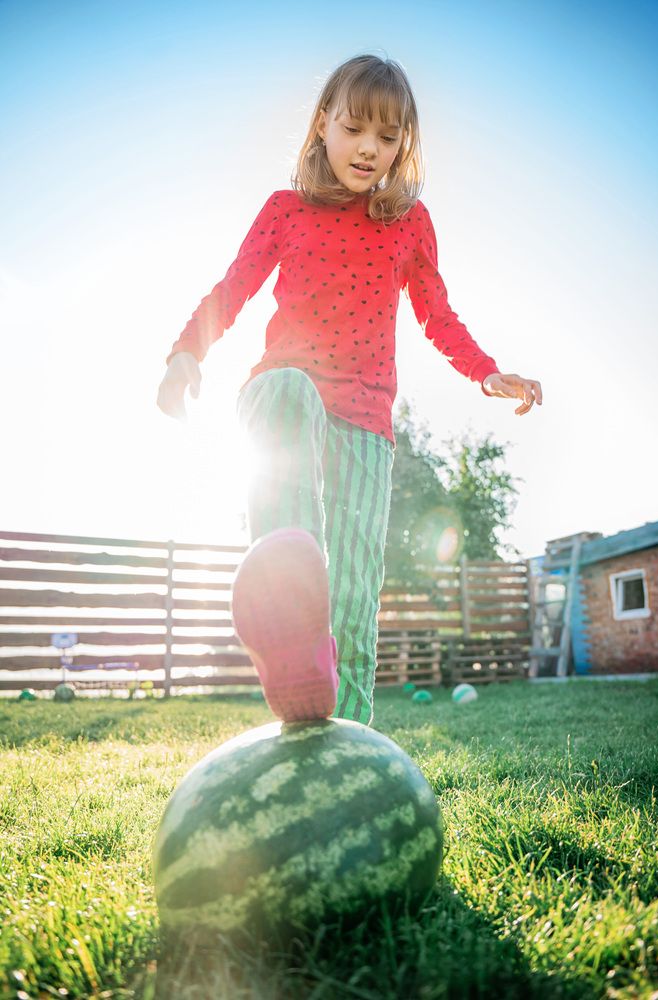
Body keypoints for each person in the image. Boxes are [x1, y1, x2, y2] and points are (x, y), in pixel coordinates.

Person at [157, 53, 542, 726]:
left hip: (367, 419)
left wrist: (485, 371)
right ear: (322, 125)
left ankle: (349, 732)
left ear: (403, 144)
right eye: (354, 128)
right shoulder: (285, 210)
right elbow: (233, 288)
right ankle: (290, 604)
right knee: (288, 391)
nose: (368, 148)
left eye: (387, 137)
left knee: (358, 589)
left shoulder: (410, 223)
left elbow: (437, 315)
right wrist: (186, 352)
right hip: (284, 395)